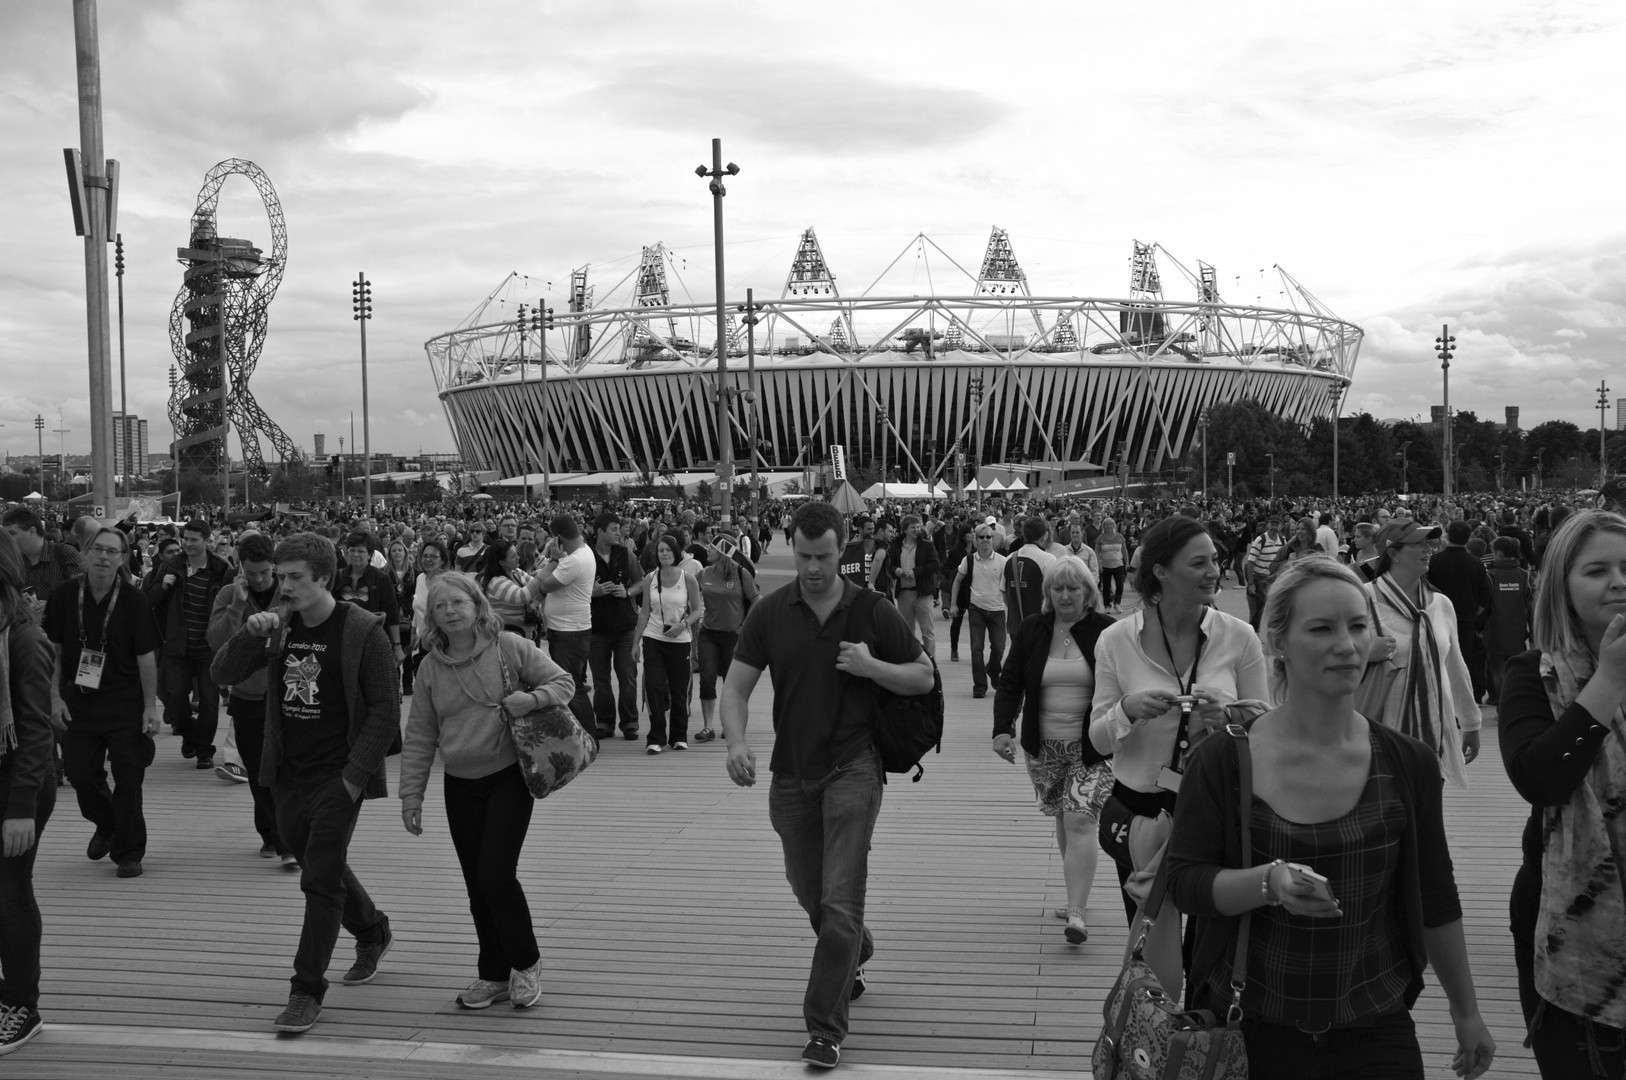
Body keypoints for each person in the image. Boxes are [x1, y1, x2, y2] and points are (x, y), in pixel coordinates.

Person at [1164, 556, 1495, 1080]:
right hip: (1248, 1026)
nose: (1347, 644)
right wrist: (1267, 882)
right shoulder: (1226, 758)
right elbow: (1184, 882)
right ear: (1278, 642)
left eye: (1358, 626)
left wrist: (1467, 1012)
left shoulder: (1407, 761)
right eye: (1321, 628)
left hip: (1374, 1024)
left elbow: (1435, 893)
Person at [722, 500, 933, 1069]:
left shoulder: (872, 610)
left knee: (840, 900)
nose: (814, 568)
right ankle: (856, 949)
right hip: (790, 774)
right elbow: (736, 688)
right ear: (792, 547)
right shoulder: (770, 612)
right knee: (811, 892)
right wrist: (737, 743)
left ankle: (824, 1027)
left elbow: (923, 676)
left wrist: (873, 668)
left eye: (825, 556)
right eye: (804, 556)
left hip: (853, 768)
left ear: (844, 551)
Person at [210, 533, 398, 1035]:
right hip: (286, 773)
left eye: (294, 577)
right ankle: (372, 927)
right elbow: (221, 672)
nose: (283, 585)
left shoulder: (363, 632)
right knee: (317, 860)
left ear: (323, 578)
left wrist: (354, 779)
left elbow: (385, 711)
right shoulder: (279, 625)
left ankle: (305, 989)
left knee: (318, 879)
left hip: (339, 776)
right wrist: (250, 634)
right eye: (280, 574)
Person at [1090, 515, 1269, 996]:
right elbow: (1098, 739)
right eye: (1200, 562)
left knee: (1211, 950)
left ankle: (1204, 1050)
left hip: (1217, 809)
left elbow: (1267, 726)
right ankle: (1155, 1047)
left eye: (1214, 559)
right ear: (1162, 572)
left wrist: (1229, 715)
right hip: (1144, 814)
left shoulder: (1238, 635)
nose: (1215, 570)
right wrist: (1127, 710)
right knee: (1150, 949)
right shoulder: (1115, 640)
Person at [399, 574, 574, 1010]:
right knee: (477, 884)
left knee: (495, 875)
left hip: (508, 775)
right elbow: (420, 734)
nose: (450, 611)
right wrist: (411, 795)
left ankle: (526, 964)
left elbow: (564, 682)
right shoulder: (429, 667)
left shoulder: (509, 646)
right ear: (432, 616)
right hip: (459, 782)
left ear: (478, 605)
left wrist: (531, 701)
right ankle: (492, 974)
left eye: (458, 602)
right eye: (440, 607)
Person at [1500, 509, 1626, 1077]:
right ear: (1562, 588)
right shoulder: (1532, 673)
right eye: (1597, 570)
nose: (1619, 582)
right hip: (1571, 927)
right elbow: (1541, 777)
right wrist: (1610, 681)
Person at [992, 556, 1115, 945]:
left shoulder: (1107, 632)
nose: (1065, 595)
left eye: (1072, 588)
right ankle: (1073, 893)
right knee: (1064, 818)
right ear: (1047, 594)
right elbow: (1010, 682)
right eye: (1057, 588)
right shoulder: (1033, 629)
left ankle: (1077, 913)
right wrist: (1001, 730)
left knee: (1081, 819)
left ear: (1088, 593)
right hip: (1043, 746)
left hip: (1092, 745)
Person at [43, 526, 162, 879]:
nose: (104, 557)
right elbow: (56, 652)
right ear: (85, 552)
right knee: (80, 775)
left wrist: (150, 707)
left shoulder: (133, 599)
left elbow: (146, 658)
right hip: (79, 701)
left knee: (129, 779)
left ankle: (129, 852)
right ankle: (107, 823)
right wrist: (52, 697)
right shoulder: (65, 595)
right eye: (98, 549)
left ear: (123, 559)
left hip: (124, 702)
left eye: (113, 552)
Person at [1365, 521, 1481, 789]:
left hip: (1433, 734)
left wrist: (1471, 722)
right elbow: (1333, 659)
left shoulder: (1440, 604)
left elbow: (1454, 666)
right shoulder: (1362, 599)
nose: (1428, 549)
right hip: (1379, 733)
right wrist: (1365, 652)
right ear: (1393, 553)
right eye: (1417, 544)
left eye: (1428, 543)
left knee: (1428, 822)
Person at [0, 530, 57, 1056]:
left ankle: (22, 1005)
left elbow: (37, 732)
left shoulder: (23, 639)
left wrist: (19, 812)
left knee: (9, 894)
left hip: (18, 786)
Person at [208, 532, 293, 868]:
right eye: (251, 572)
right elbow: (217, 644)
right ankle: (271, 834)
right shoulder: (230, 593)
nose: (258, 579)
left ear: (274, 567)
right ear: (240, 568)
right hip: (247, 696)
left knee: (284, 771)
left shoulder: (290, 591)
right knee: (259, 773)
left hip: (286, 694)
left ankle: (285, 841)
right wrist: (239, 605)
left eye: (265, 572)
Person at [144, 519, 232, 768]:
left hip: (208, 647)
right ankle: (188, 734)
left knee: (209, 701)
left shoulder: (220, 568)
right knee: (176, 699)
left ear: (207, 541)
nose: (189, 543)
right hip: (177, 645)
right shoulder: (172, 566)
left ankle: (204, 749)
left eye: (195, 539)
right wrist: (163, 586)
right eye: (186, 538)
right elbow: (150, 600)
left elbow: (230, 602)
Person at [636, 533, 701, 754]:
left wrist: (683, 625)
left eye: (668, 550)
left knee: (678, 689)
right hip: (653, 637)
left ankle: (679, 736)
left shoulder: (687, 578)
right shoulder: (650, 578)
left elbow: (697, 610)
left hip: (680, 640)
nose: (664, 554)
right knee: (654, 687)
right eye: (660, 550)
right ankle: (656, 736)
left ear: (676, 553)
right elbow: (645, 611)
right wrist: (635, 643)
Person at [531, 514, 596, 731]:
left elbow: (544, 586)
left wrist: (555, 559)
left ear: (558, 538)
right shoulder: (584, 551)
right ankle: (583, 732)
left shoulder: (571, 561)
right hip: (573, 628)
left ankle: (588, 734)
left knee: (571, 685)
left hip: (568, 631)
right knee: (572, 682)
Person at [694, 527, 758, 742]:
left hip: (733, 636)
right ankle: (707, 727)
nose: (708, 551)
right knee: (707, 679)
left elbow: (757, 603)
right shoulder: (704, 573)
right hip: (708, 634)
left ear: (723, 551)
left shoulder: (741, 573)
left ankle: (729, 726)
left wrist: (743, 627)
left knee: (731, 684)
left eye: (712, 548)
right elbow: (688, 592)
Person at [587, 512, 642, 742]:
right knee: (600, 679)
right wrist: (594, 592)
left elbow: (642, 582)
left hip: (625, 626)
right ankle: (605, 722)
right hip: (596, 627)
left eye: (619, 529)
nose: (618, 533)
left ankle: (629, 722)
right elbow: (572, 588)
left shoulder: (625, 553)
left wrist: (627, 591)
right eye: (613, 529)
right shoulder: (585, 556)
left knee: (628, 676)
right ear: (599, 532)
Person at [947, 525, 1008, 700]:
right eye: (981, 537)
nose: (985, 540)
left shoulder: (1002, 561)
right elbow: (957, 581)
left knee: (999, 647)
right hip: (976, 609)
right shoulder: (969, 560)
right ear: (976, 540)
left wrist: (1010, 607)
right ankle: (979, 685)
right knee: (976, 649)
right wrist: (953, 604)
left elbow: (1008, 587)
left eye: (989, 537)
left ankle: (993, 670)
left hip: (997, 609)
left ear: (993, 539)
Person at [883, 515, 939, 658]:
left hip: (923, 593)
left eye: (918, 527)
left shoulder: (927, 545)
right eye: (913, 527)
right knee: (907, 631)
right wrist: (896, 570)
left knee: (928, 631)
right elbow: (889, 564)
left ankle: (931, 662)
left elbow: (935, 564)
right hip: (904, 594)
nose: (916, 530)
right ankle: (911, 659)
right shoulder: (895, 545)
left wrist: (915, 572)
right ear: (905, 529)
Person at [475, 541, 531, 634]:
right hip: (506, 635)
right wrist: (554, 561)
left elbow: (537, 586)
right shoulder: (495, 582)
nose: (518, 558)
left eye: (516, 554)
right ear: (501, 562)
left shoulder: (516, 572)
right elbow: (522, 596)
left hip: (525, 634)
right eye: (513, 556)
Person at [1243, 516, 1286, 629]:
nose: (1274, 527)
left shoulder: (1282, 541)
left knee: (1273, 607)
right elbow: (1251, 562)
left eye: (1277, 524)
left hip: (1274, 578)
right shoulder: (1260, 540)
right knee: (1261, 608)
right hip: (1260, 578)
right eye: (1272, 524)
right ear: (1267, 525)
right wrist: (1251, 583)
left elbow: (1284, 560)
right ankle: (1253, 630)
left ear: (1281, 526)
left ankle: (1260, 630)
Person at [1096, 518, 1128, 613]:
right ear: (1104, 526)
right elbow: (1097, 552)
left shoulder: (1120, 537)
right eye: (1107, 525)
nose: (1109, 526)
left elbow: (1124, 551)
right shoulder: (1100, 538)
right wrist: (1099, 565)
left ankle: (1117, 604)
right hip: (1105, 566)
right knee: (1106, 586)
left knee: (1120, 584)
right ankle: (1107, 606)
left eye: (1111, 524)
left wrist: (1127, 563)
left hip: (1118, 565)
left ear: (1114, 526)